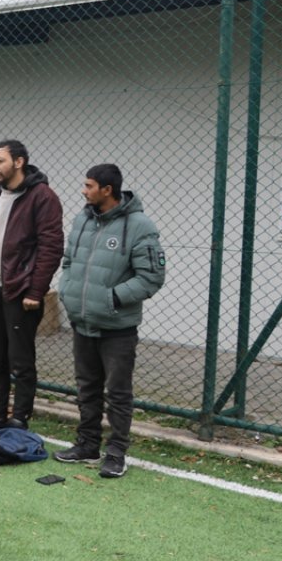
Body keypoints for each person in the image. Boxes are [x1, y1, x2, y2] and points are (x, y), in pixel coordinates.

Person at [54, 164, 165, 478]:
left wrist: (111, 298)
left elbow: (151, 278)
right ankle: (87, 443)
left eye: (89, 185)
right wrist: (68, 291)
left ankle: (116, 452)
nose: (83, 190)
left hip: (117, 328)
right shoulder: (82, 220)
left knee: (117, 392)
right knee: (86, 387)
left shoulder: (140, 226)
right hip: (82, 322)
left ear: (107, 190)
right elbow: (69, 262)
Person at [0, 140, 64, 430]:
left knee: (20, 360)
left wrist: (36, 291)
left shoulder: (42, 196)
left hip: (20, 292)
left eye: (0, 161)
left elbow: (51, 247)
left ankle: (19, 417)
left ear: (18, 162)